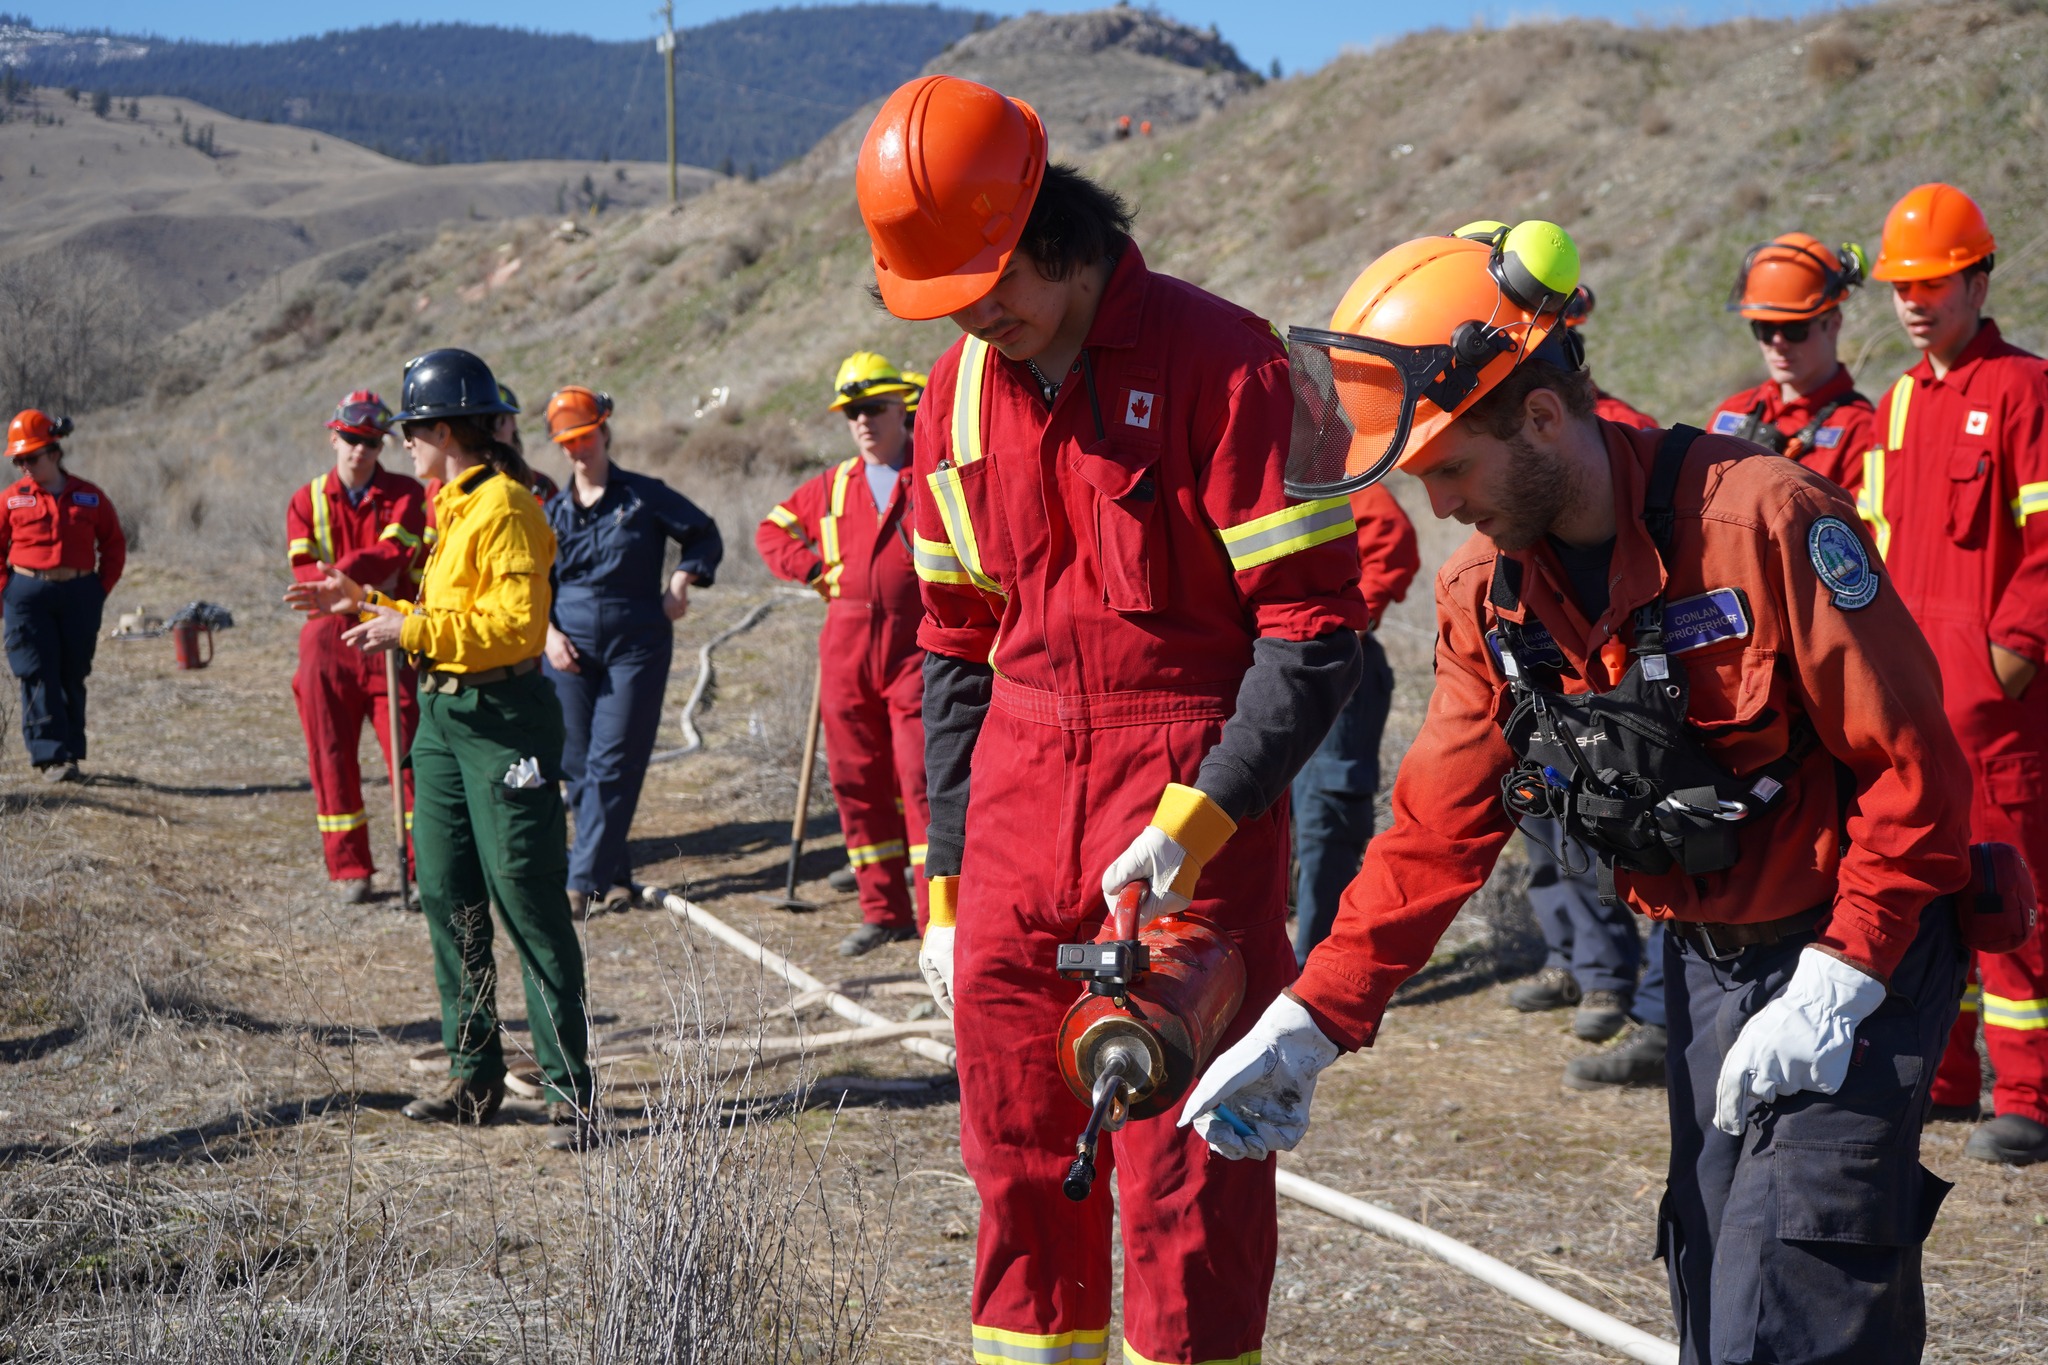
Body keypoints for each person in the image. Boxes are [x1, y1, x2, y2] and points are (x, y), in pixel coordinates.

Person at [1182, 223, 1975, 1361]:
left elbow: (1914, 773)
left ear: (1543, 420)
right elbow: (1433, 830)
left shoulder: (1760, 523)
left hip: (1859, 949)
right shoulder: (1484, 599)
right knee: (1713, 1287)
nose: (1438, 506)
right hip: (1702, 966)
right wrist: (1313, 1018)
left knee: (1793, 1302)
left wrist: (1843, 974)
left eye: (1448, 469)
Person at [863, 76, 1366, 1365]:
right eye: (952, 304)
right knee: (1016, 1168)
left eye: (994, 289)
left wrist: (1197, 821)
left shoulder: (1237, 367)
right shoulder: (957, 396)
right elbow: (955, 652)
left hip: (1187, 812)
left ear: (1057, 233)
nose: (981, 321)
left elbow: (1312, 639)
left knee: (1185, 1179)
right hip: (1017, 819)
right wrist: (943, 875)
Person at [286, 348, 597, 1152]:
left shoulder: (509, 507)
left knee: (526, 897)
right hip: (444, 723)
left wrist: (409, 628)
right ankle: (475, 1073)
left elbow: (516, 628)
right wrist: (365, 600)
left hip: (503, 721)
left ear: (447, 429)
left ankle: (569, 1089)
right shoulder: (452, 504)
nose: (404, 443)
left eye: (413, 429)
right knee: (449, 896)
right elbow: (444, 611)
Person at [1860, 183, 2048, 1167]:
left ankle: (2025, 1091)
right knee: (1925, 884)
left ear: (1978, 278)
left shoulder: (2024, 390)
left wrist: (2004, 665)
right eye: (1901, 285)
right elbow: (1878, 545)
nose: (1914, 300)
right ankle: (1938, 1072)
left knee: (2012, 892)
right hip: (1911, 699)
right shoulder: (1897, 401)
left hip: (1994, 709)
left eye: (1934, 281)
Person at [1523, 275, 1670, 1084]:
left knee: (1645, 835)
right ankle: (1594, 971)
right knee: (1556, 829)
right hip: (1549, 678)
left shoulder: (1620, 435)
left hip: (1621, 686)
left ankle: (1640, 990)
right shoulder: (1505, 449)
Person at [757, 353, 931, 956]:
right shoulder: (832, 486)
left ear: (900, 411)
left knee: (922, 783)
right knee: (856, 784)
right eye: (852, 412)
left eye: (874, 409)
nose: (862, 421)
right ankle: (884, 911)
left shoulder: (931, 476)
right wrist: (813, 571)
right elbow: (771, 531)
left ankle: (942, 921)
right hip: (846, 657)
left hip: (917, 653)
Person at [541, 386, 721, 917]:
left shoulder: (644, 495)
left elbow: (704, 536)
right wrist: (549, 637)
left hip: (636, 645)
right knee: (577, 766)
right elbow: (532, 584)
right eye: (568, 442)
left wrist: (682, 580)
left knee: (614, 761)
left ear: (605, 431)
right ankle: (611, 877)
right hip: (568, 650)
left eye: (587, 436)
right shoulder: (550, 513)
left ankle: (577, 883)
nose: (579, 449)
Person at [288, 390, 428, 904]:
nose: (358, 451)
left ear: (381, 446)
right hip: (327, 640)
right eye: (350, 439)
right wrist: (331, 592)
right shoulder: (305, 501)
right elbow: (302, 570)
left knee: (411, 756)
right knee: (329, 752)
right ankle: (351, 869)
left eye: (370, 442)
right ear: (334, 438)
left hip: (392, 631)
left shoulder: (406, 493)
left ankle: (422, 865)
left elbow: (393, 551)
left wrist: (340, 580)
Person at [1289, 480, 1416, 967]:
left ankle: (1319, 967)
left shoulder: (1316, 466)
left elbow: (1392, 536)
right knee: (1271, 814)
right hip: (1267, 670)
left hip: (1336, 665)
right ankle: (1274, 960)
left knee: (1327, 817)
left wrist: (1349, 622)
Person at [1, 410, 124, 783]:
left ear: (54, 454)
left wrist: (98, 590)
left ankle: (71, 754)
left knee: (73, 672)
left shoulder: (89, 496)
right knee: (37, 673)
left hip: (79, 593)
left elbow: (114, 544)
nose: (24, 466)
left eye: (31, 458)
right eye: (18, 460)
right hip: (27, 595)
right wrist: (6, 593)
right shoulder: (10, 500)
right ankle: (49, 756)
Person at [1707, 231, 1878, 490]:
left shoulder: (1858, 430)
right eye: (1764, 329)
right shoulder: (1733, 411)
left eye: (1794, 330)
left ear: (1833, 324)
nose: (1777, 343)